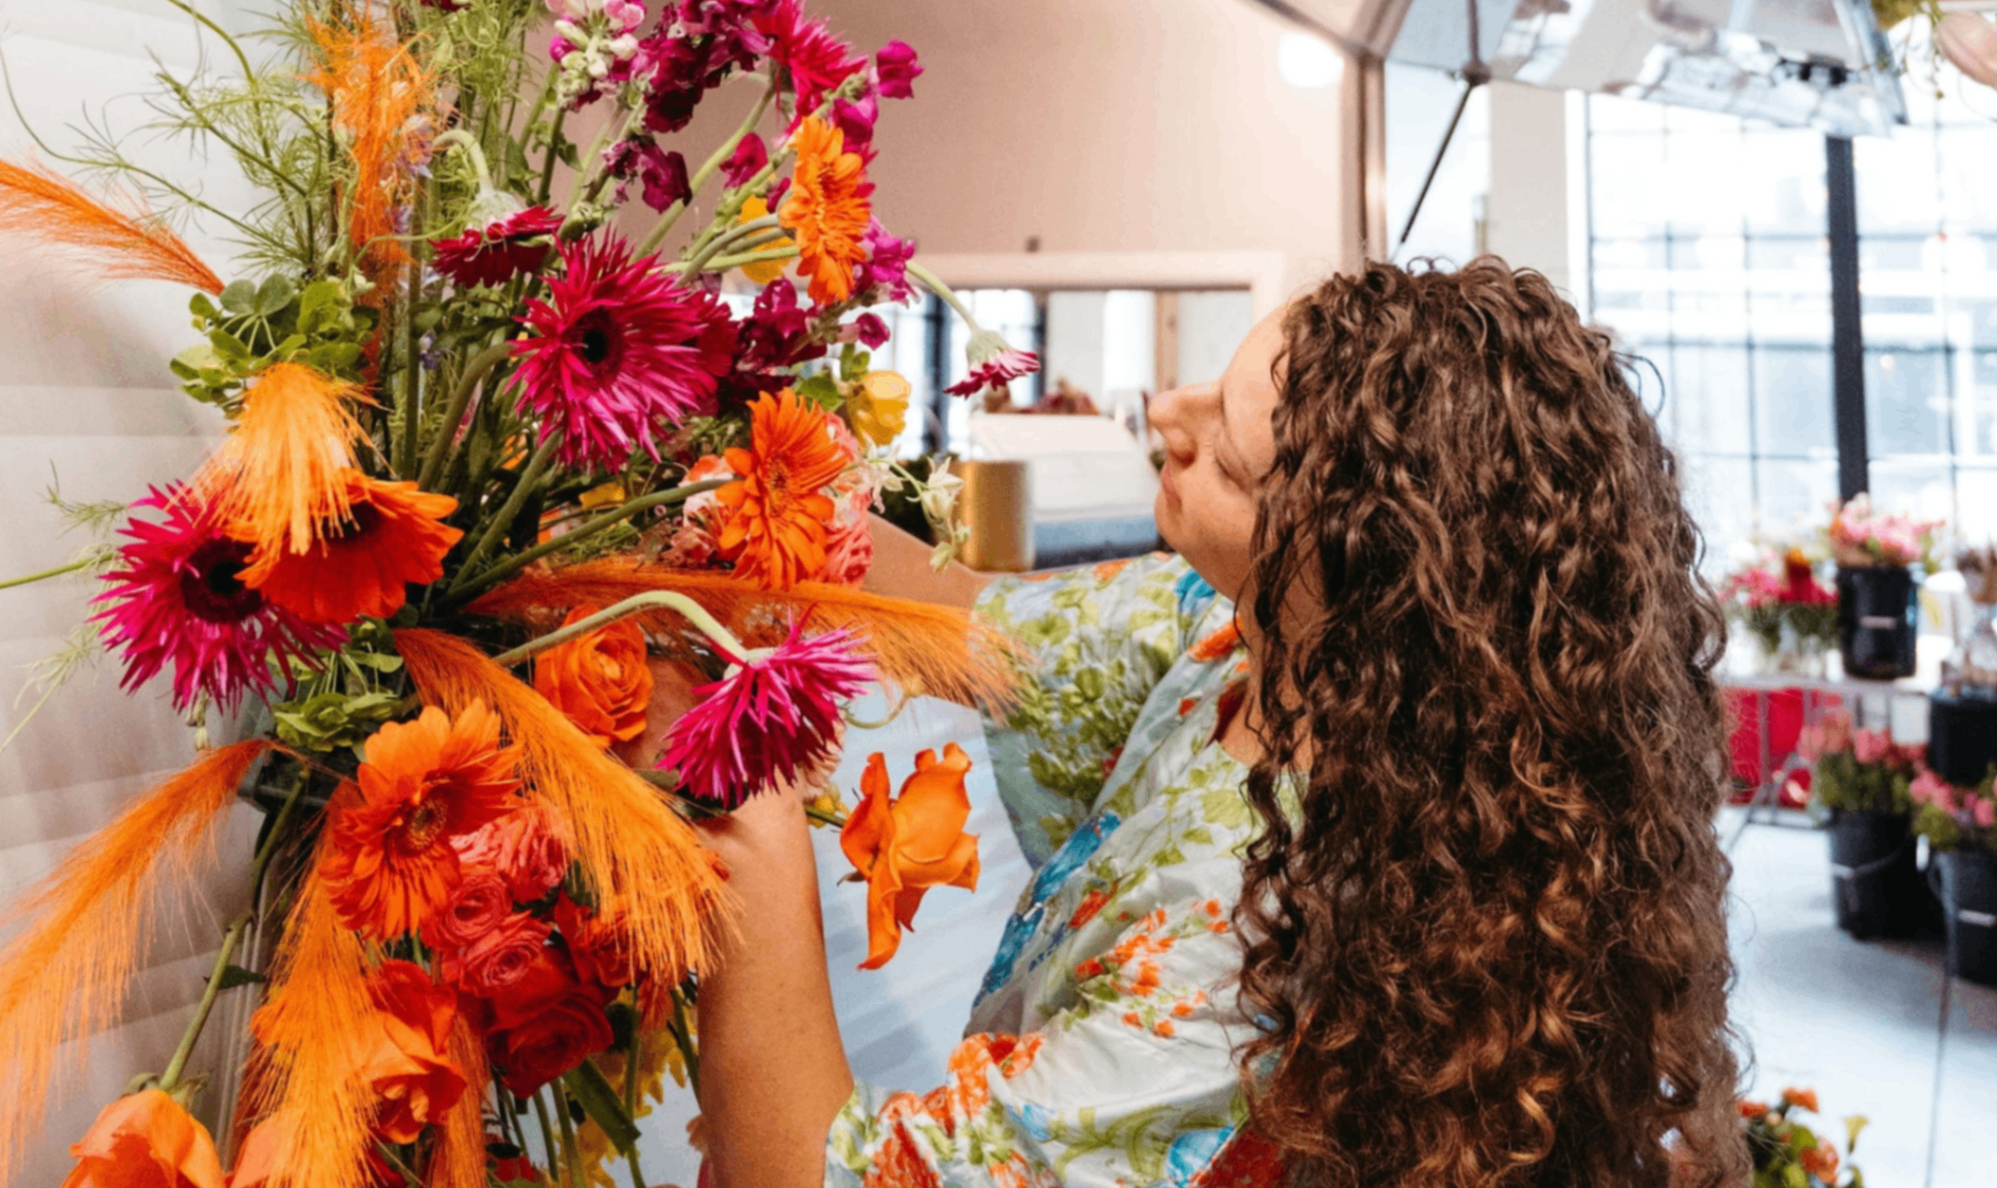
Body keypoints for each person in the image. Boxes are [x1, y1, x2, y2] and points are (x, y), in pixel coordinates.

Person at [687, 259, 1740, 1188]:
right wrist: (724, 498)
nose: (1163, 412)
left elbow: (799, 1169)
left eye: (1226, 455)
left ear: (1345, 585)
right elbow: (952, 627)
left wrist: (739, 771)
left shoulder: (1257, 958)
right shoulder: (1238, 637)